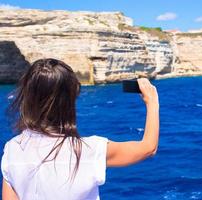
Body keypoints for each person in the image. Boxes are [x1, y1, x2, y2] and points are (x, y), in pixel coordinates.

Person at [1, 58, 160, 200]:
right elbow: (148, 148)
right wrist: (152, 101)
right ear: (69, 100)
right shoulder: (90, 150)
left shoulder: (12, 149)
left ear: (27, 96)